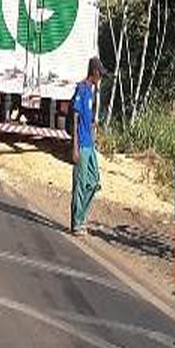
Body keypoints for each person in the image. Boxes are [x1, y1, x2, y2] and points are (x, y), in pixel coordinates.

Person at [70, 56, 106, 236]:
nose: (101, 78)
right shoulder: (82, 90)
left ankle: (82, 215)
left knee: (94, 181)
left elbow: (88, 118)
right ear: (94, 72)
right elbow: (75, 118)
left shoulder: (92, 92)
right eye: (100, 74)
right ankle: (77, 222)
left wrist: (93, 129)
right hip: (81, 144)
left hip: (90, 144)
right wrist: (75, 146)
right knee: (80, 182)